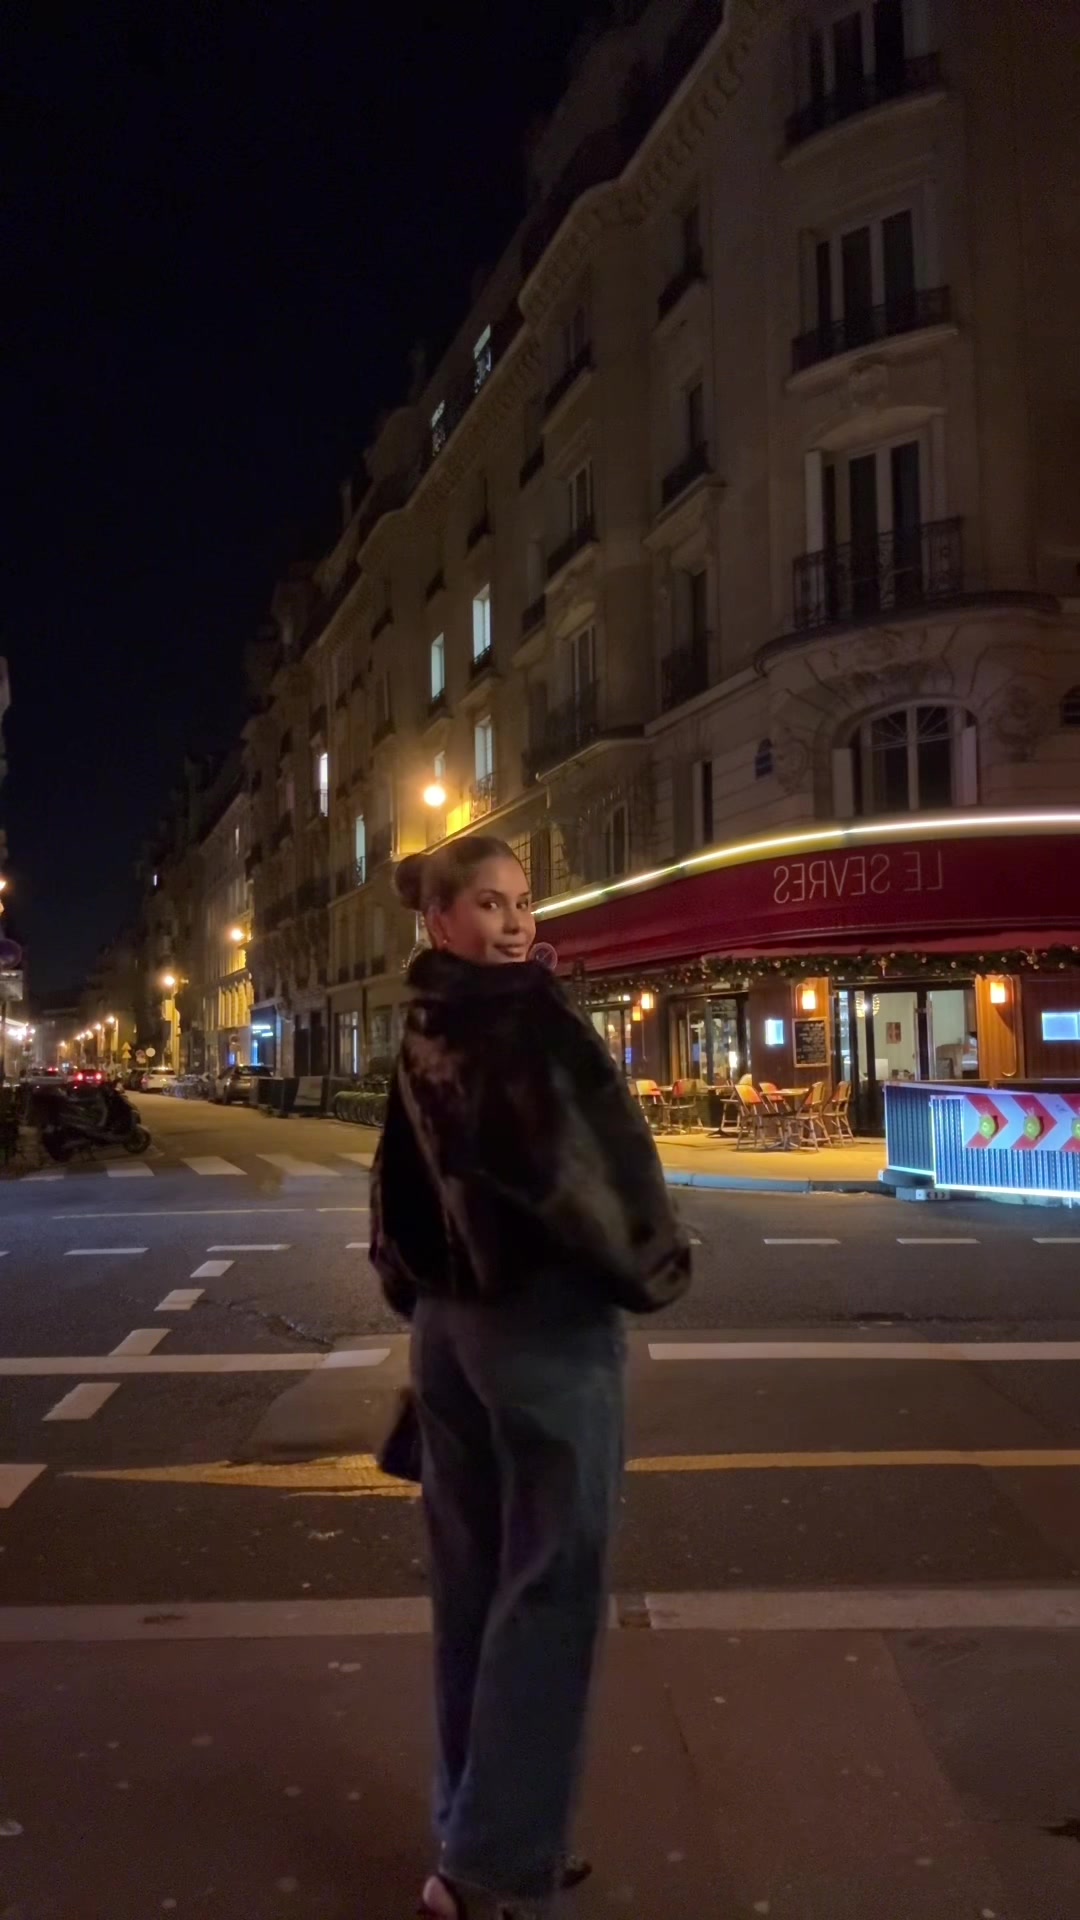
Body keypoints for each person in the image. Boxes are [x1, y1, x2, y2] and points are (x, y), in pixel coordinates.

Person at [370, 836, 691, 1920]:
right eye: (488, 904)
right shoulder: (530, 1019)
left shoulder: (427, 1019)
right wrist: (652, 1262)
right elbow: (595, 1173)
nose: (514, 924)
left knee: (472, 1587)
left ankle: (472, 1829)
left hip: (447, 1328)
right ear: (439, 920)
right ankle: (494, 1863)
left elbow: (395, 1182)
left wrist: (419, 1289)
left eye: (521, 902)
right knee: (552, 1585)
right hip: (542, 1326)